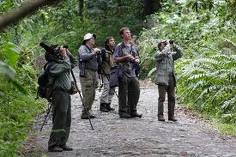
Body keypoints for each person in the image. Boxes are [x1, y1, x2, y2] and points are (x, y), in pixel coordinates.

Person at [44, 44, 76, 152]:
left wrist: (67, 52)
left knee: (67, 119)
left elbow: (74, 62)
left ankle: (62, 142)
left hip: (66, 93)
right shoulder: (52, 66)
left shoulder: (62, 63)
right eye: (60, 52)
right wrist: (64, 55)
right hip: (59, 94)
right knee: (59, 119)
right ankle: (53, 144)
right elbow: (67, 66)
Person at [113, 27, 142, 118]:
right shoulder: (119, 46)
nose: (129, 34)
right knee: (123, 93)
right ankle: (123, 111)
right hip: (123, 72)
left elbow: (137, 56)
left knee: (136, 91)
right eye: (126, 33)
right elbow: (115, 59)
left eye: (129, 32)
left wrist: (137, 59)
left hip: (133, 72)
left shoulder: (133, 45)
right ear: (122, 35)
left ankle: (133, 110)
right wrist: (125, 58)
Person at [155, 40, 182, 121]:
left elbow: (180, 53)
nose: (166, 46)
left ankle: (171, 116)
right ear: (160, 46)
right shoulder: (158, 54)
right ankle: (160, 115)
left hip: (171, 78)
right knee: (162, 98)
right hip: (162, 79)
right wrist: (167, 47)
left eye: (166, 45)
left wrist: (173, 45)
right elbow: (162, 54)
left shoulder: (170, 55)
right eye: (164, 44)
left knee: (172, 98)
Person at [78, 33, 100, 119]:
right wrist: (94, 53)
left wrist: (97, 54)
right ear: (87, 40)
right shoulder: (82, 48)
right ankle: (85, 112)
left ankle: (88, 110)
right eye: (92, 38)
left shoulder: (91, 49)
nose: (94, 40)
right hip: (86, 73)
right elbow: (83, 57)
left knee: (92, 93)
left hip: (93, 73)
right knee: (88, 92)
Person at [99, 36, 116, 112]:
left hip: (113, 72)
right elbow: (99, 62)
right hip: (105, 72)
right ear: (107, 43)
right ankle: (103, 105)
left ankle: (108, 104)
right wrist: (99, 72)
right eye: (111, 41)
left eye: (113, 41)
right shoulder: (103, 51)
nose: (113, 42)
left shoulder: (115, 50)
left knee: (112, 88)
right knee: (106, 87)